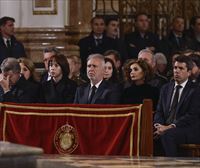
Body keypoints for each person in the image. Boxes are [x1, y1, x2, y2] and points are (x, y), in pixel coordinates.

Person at [154, 55, 200, 157]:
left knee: (168, 135)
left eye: (181, 68)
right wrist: (158, 125)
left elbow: (192, 115)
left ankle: (174, 165)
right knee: (147, 134)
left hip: (187, 129)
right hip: (165, 127)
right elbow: (159, 111)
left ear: (188, 72)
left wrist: (169, 127)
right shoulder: (165, 88)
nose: (176, 71)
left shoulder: (196, 90)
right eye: (175, 68)